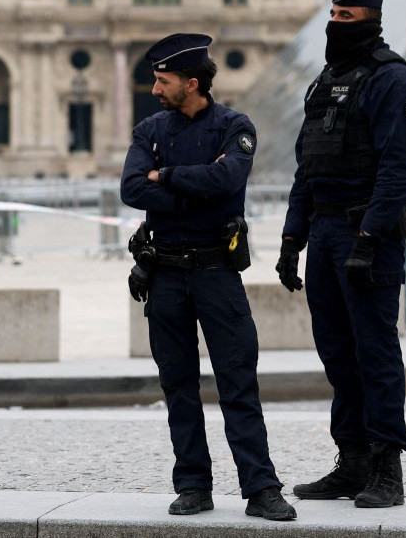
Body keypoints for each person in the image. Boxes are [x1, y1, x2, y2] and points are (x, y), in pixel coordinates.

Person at [121, 33, 296, 522]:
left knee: (238, 382)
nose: (154, 89)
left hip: (217, 271)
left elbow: (228, 182)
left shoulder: (234, 125)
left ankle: (261, 487)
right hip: (166, 273)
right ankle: (193, 484)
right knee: (178, 386)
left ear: (191, 82)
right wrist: (190, 182)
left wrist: (166, 177)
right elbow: (132, 188)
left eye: (163, 81)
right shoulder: (150, 129)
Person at [276, 0, 406, 508]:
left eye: (346, 19)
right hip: (324, 232)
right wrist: (293, 238)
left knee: (375, 353)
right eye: (332, 17)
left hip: (367, 233)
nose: (335, 26)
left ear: (371, 21)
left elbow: (399, 170)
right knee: (337, 352)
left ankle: (387, 468)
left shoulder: (392, 79)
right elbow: (307, 164)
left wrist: (368, 237)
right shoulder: (324, 80)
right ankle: (352, 459)